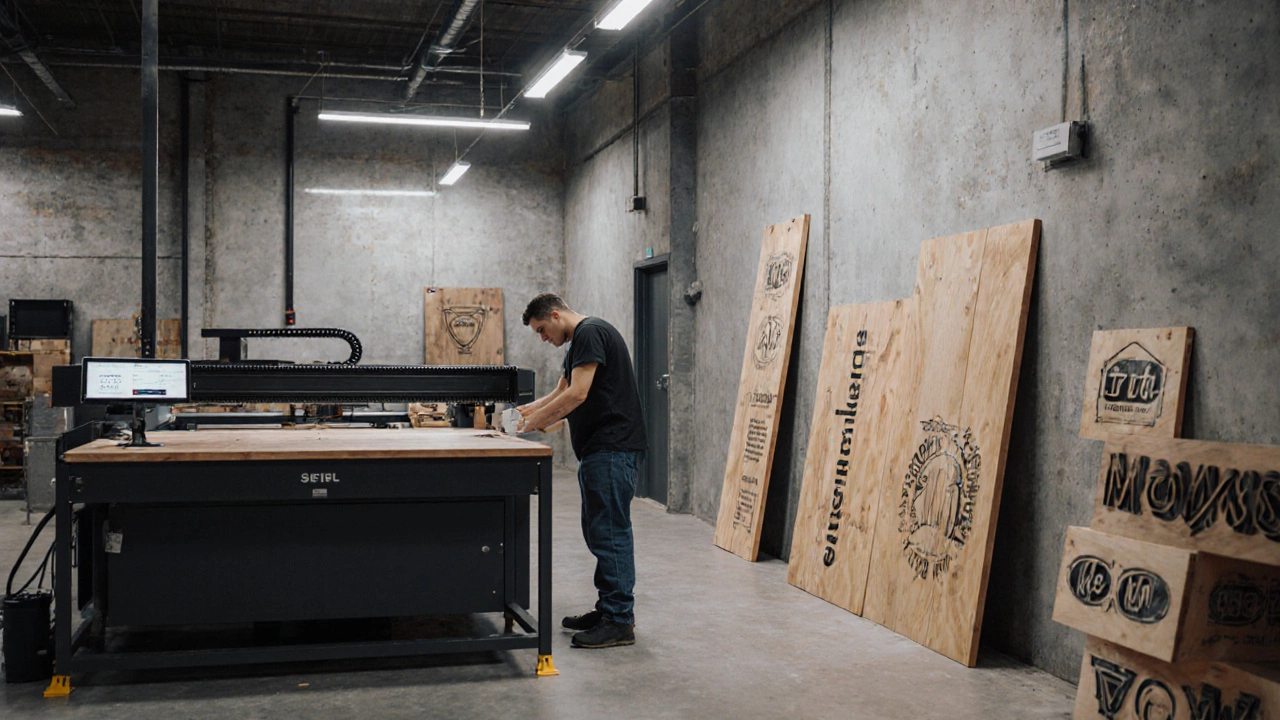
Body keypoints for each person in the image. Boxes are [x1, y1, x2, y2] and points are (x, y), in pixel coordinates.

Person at [517, 293, 648, 649]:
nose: (543, 338)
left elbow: (576, 396)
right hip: (600, 452)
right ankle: (609, 610)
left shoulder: (590, 332)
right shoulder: (580, 342)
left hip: (612, 449)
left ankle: (619, 620)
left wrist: (528, 427)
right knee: (598, 531)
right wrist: (521, 415)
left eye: (543, 330)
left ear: (556, 315)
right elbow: (559, 391)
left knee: (609, 533)